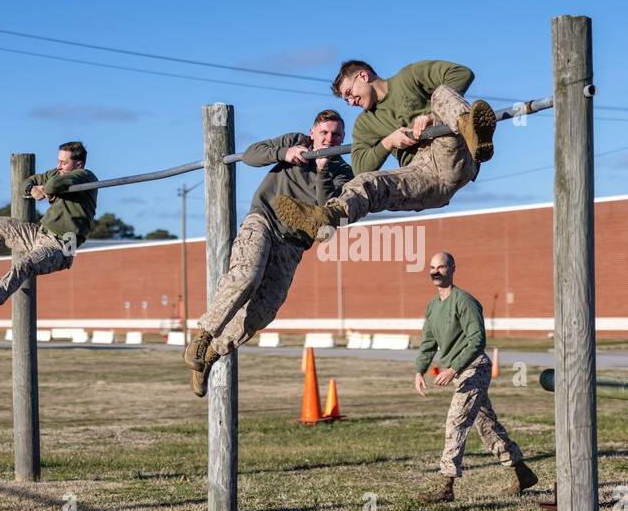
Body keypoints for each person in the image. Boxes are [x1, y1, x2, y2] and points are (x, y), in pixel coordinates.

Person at [183, 111, 353, 395]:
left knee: (264, 310)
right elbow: (251, 155)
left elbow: (327, 216)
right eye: (324, 133)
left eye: (336, 135)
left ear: (342, 138)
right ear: (312, 132)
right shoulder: (295, 141)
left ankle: (211, 354)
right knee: (247, 276)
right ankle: (202, 336)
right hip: (263, 220)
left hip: (293, 244)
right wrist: (284, 153)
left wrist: (322, 171)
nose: (329, 139)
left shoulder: (343, 173)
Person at [271, 59, 496, 241]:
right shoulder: (365, 124)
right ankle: (328, 218)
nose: (350, 102)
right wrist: (388, 142)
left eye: (349, 92)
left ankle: (476, 136)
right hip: (421, 175)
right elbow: (360, 168)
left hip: (450, 153)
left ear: (363, 76)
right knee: (369, 182)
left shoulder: (409, 77)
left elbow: (462, 73)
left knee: (441, 94)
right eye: (345, 99)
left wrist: (430, 117)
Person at [413, 251, 536, 502]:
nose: (436, 271)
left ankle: (446, 486)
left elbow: (477, 340)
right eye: (432, 267)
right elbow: (427, 341)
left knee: (455, 422)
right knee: (487, 425)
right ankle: (522, 472)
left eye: (442, 267)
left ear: (453, 269)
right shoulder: (433, 306)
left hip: (474, 368)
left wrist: (453, 368)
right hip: (460, 372)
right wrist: (419, 370)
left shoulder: (464, 301)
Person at [0, 141, 97, 322]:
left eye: (64, 163)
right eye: (58, 161)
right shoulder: (58, 173)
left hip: (62, 246)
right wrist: (33, 189)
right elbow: (27, 183)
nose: (58, 166)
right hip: (40, 234)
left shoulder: (85, 177)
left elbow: (54, 185)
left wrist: (43, 189)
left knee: (24, 264)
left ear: (78, 164)